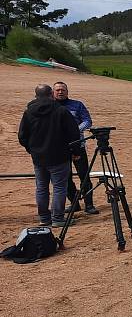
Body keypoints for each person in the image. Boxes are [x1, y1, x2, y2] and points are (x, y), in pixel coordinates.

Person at [18, 84, 81, 228]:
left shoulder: (28, 112)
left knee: (41, 188)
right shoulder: (61, 111)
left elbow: (22, 136)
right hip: (59, 157)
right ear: (51, 94)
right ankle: (58, 218)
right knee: (59, 187)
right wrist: (76, 152)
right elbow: (74, 133)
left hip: (39, 158)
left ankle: (44, 218)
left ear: (36, 96)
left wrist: (32, 149)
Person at [53, 81, 99, 215]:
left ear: (67, 92)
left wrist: (74, 130)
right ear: (53, 92)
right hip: (59, 148)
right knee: (65, 177)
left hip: (78, 145)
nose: (60, 92)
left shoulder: (77, 105)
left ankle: (89, 204)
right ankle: (74, 204)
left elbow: (87, 120)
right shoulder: (50, 107)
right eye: (58, 90)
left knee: (83, 175)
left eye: (63, 90)